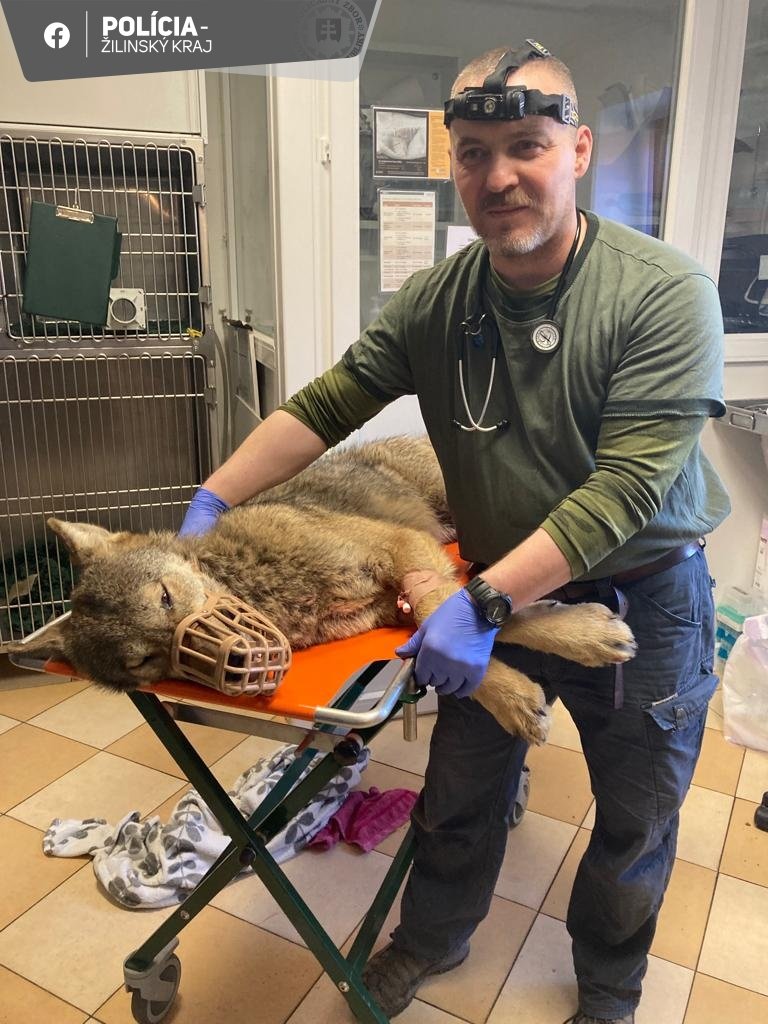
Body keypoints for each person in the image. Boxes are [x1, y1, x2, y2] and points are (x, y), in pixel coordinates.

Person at [181, 41, 730, 1024]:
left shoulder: (663, 292)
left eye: (526, 146)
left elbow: (627, 488)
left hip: (642, 601)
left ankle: (609, 987)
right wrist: (213, 498)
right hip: (497, 592)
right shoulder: (439, 301)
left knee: (635, 819)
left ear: (579, 151)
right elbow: (327, 404)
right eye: (473, 153)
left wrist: (478, 604)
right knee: (460, 795)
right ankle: (431, 939)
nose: (498, 175)